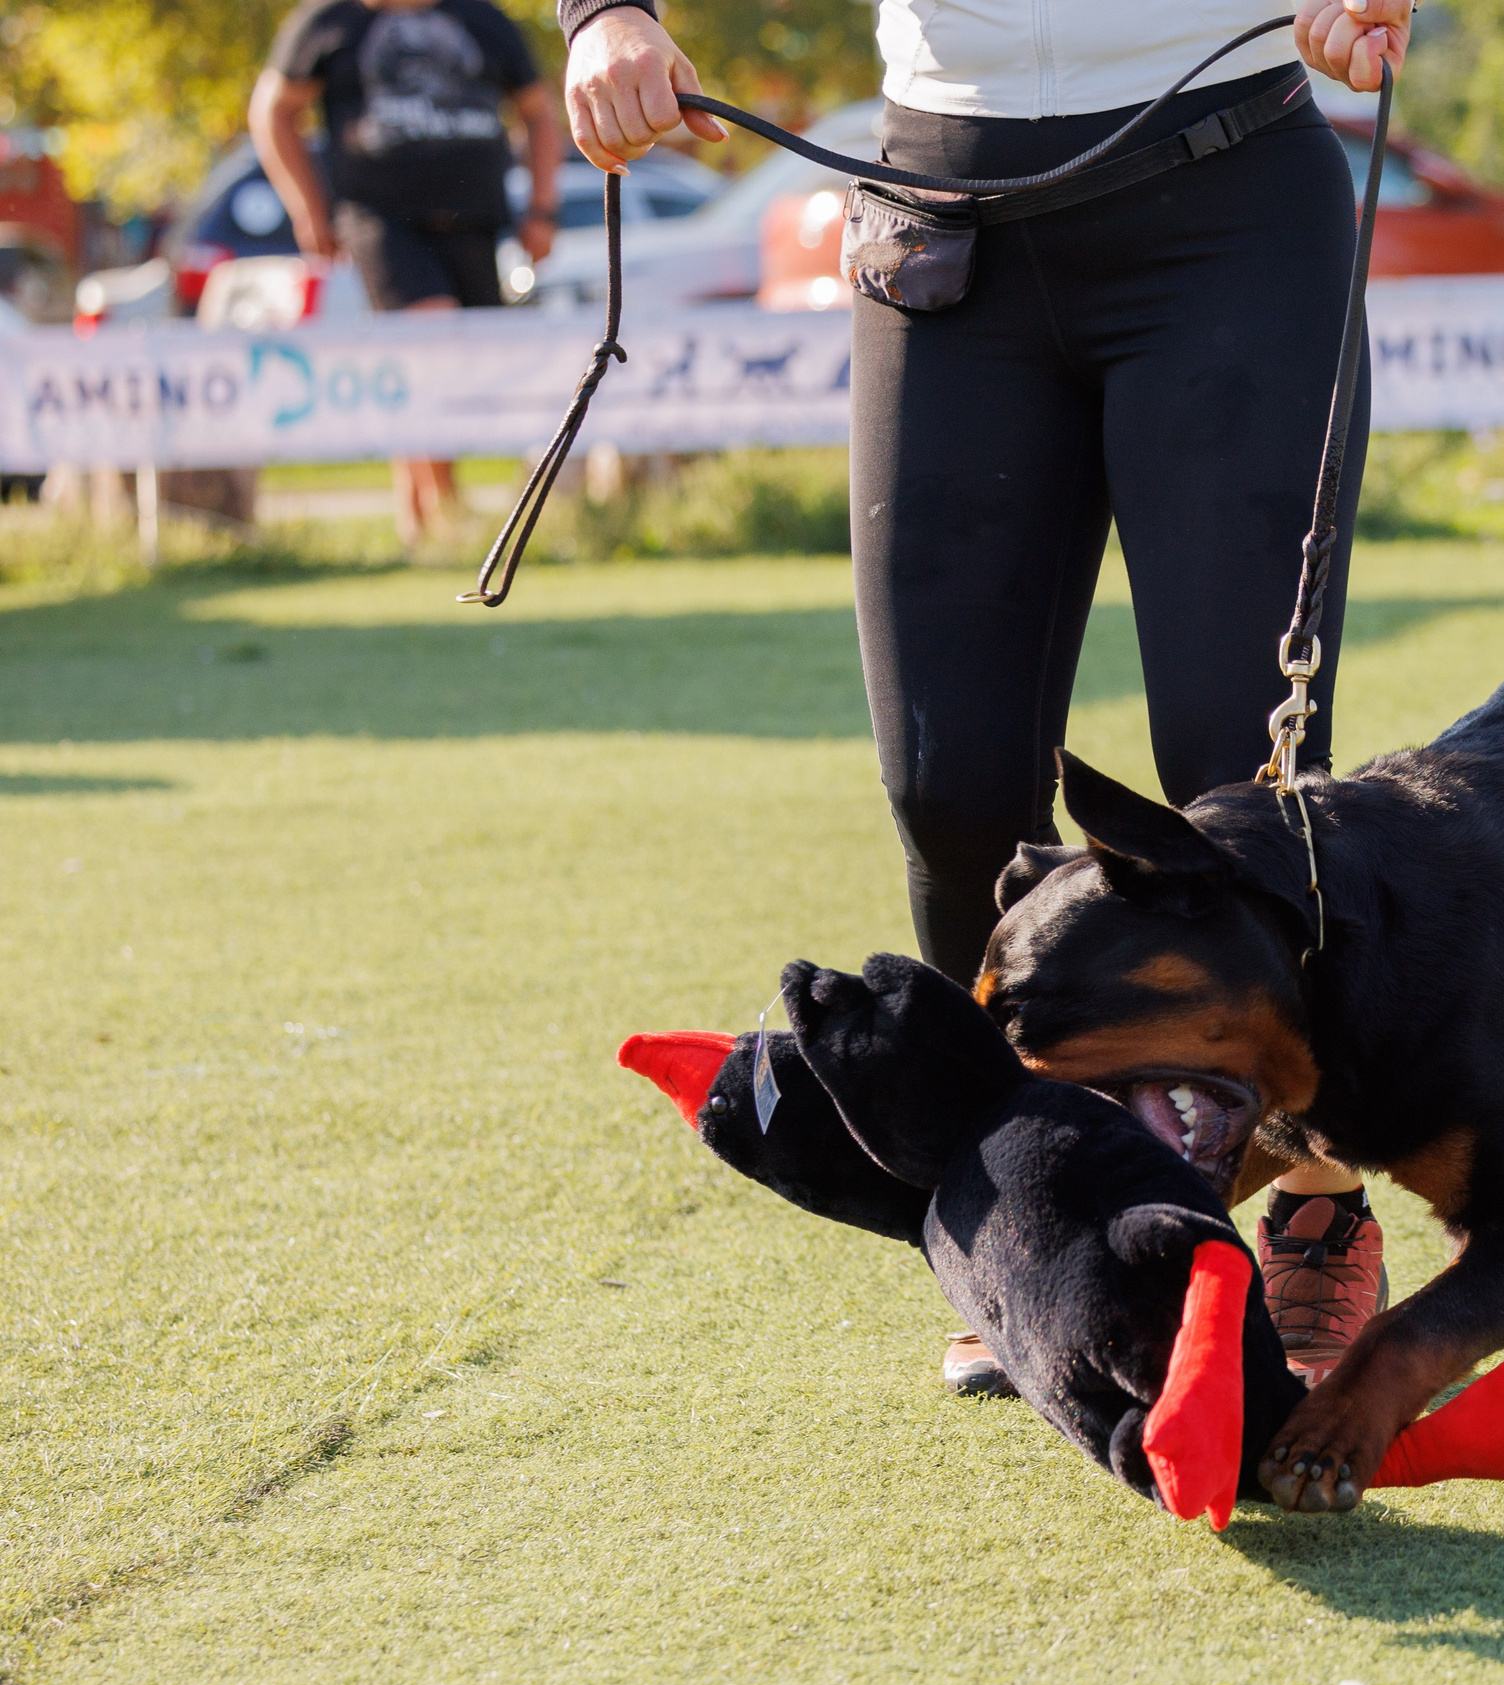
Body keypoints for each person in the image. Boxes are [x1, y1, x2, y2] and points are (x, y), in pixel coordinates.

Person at [557, 0, 1411, 1393]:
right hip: (942, 218)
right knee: (949, 790)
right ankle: (1038, 1229)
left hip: (1232, 209)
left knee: (1241, 784)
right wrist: (606, 18)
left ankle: (1315, 1196)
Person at [251, 0, 564, 547]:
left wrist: (542, 208)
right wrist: (308, 208)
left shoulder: (482, 19)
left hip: (474, 222)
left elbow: (539, 113)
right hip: (380, 220)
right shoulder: (331, 21)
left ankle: (414, 519)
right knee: (429, 340)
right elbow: (272, 110)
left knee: (443, 366)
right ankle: (447, 509)